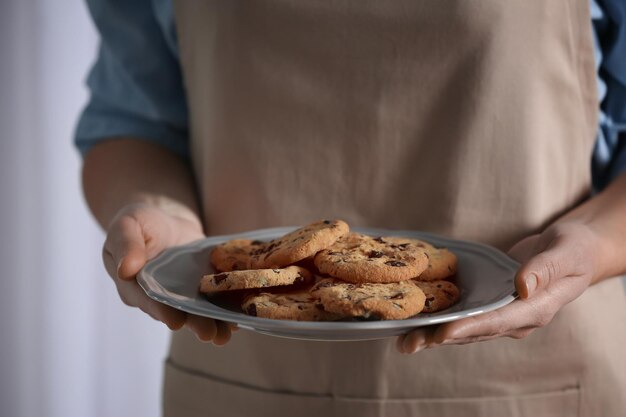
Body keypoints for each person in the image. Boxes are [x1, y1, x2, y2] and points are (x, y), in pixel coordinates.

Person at [76, 1, 626, 416]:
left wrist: (596, 241)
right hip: (239, 370)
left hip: (540, 382)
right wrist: (155, 210)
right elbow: (132, 122)